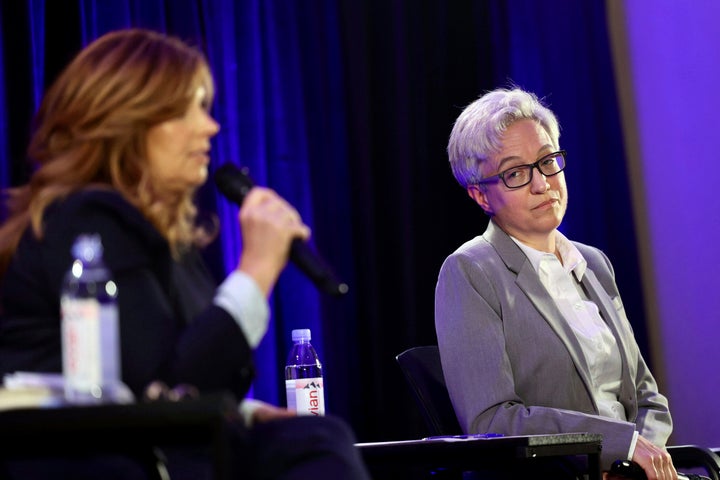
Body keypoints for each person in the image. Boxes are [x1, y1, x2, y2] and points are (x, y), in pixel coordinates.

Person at [0, 28, 370, 480]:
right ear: (129, 121)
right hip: (76, 458)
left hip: (143, 446)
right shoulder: (88, 216)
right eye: (188, 109)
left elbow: (177, 375)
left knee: (312, 439)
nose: (210, 126)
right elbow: (166, 386)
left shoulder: (163, 238)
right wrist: (255, 270)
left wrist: (246, 411)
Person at [435, 87, 677, 480]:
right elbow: (492, 421)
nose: (542, 183)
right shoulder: (471, 270)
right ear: (480, 195)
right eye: (515, 173)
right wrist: (621, 446)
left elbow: (647, 397)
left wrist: (633, 462)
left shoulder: (594, 263)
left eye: (548, 161)